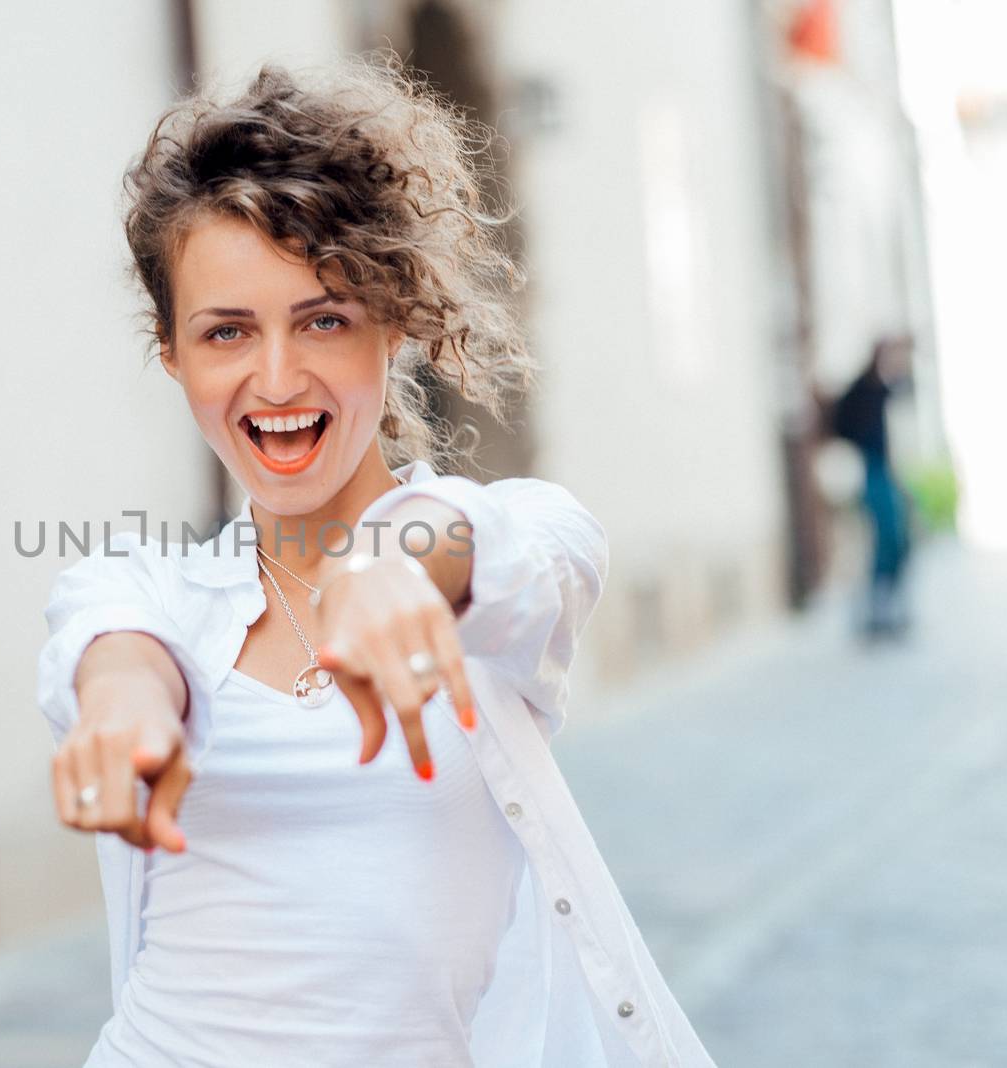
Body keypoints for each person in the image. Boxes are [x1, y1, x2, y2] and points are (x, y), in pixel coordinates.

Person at [35, 53, 715, 1066]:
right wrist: (127, 713)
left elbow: (503, 548)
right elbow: (113, 651)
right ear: (173, 354)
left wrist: (396, 565)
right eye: (226, 331)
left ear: (391, 323)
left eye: (324, 319)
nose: (276, 378)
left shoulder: (510, 539)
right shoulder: (143, 588)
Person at [830, 335, 914, 638]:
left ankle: (889, 604)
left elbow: (907, 390)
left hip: (885, 470)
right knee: (884, 536)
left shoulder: (882, 388)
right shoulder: (864, 388)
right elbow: (839, 422)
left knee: (899, 538)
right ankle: (878, 608)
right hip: (870, 469)